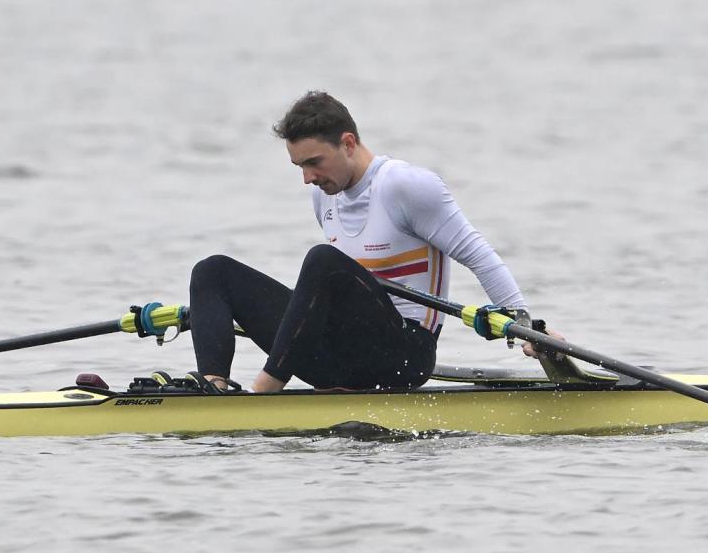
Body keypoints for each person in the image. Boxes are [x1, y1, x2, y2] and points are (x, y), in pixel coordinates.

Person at [188, 91, 534, 394]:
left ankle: (264, 389)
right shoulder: (324, 195)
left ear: (349, 143)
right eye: (300, 166)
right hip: (339, 353)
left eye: (314, 163)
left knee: (323, 261)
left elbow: (481, 257)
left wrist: (528, 330)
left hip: (403, 356)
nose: (308, 178)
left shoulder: (406, 186)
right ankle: (213, 389)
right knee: (213, 271)